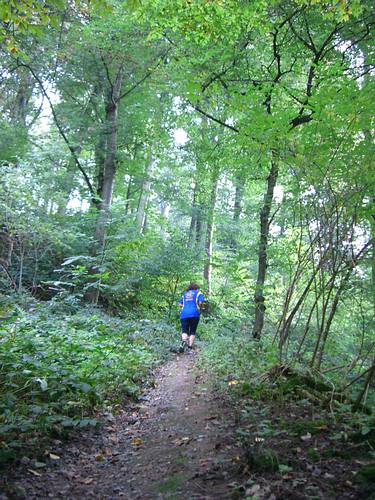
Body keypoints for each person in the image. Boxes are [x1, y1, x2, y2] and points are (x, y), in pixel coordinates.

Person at [178, 282, 204, 353]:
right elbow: (200, 302)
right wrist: (201, 308)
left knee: (184, 330)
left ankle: (183, 342)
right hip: (194, 313)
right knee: (192, 331)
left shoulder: (185, 294)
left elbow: (180, 304)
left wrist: (186, 306)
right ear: (196, 288)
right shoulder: (199, 293)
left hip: (184, 314)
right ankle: (189, 347)